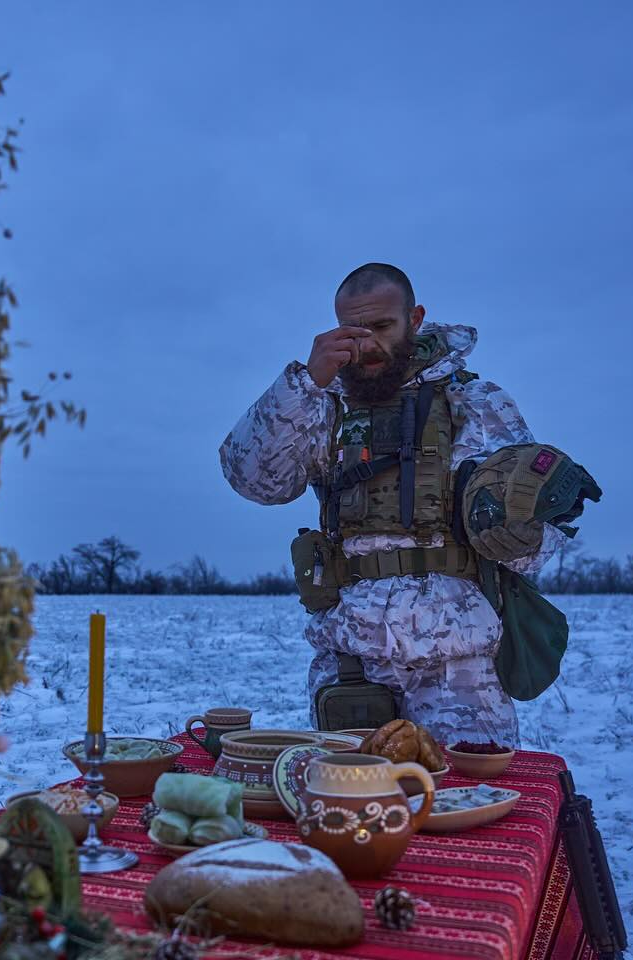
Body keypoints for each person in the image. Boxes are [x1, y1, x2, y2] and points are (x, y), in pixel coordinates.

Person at [218, 263, 566, 744]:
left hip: (458, 666)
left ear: (415, 318)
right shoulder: (323, 406)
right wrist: (303, 383)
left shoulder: (477, 401)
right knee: (352, 805)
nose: (368, 345)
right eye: (353, 331)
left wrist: (514, 531)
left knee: (469, 803)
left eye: (382, 327)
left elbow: (537, 537)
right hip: (352, 658)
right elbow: (253, 479)